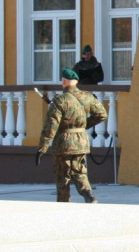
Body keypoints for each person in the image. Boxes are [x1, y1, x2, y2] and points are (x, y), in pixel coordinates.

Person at [37, 68, 107, 203]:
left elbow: (51, 126)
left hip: (64, 142)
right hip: (81, 141)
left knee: (62, 173)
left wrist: (42, 147)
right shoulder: (87, 96)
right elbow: (102, 115)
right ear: (77, 82)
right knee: (80, 170)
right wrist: (82, 126)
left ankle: (63, 201)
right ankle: (88, 194)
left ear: (63, 82)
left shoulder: (60, 100)